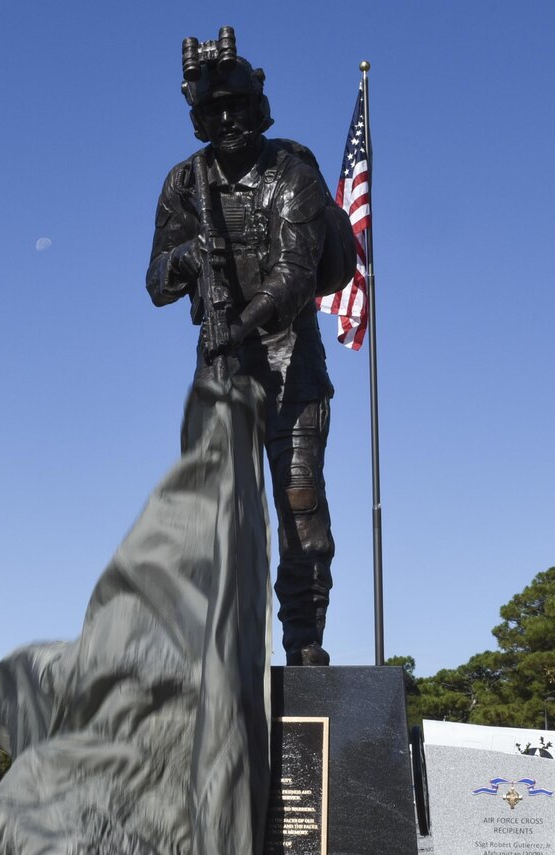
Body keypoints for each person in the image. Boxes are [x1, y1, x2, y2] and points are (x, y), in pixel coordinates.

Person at [146, 26, 352, 667]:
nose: (228, 119)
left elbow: (295, 275)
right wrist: (186, 257)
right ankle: (219, 643)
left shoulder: (293, 173)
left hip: (292, 369)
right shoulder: (184, 182)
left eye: (237, 107)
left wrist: (240, 327)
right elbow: (155, 282)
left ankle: (303, 640)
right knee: (213, 517)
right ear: (199, 117)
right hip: (221, 375)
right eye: (215, 110)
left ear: (259, 108)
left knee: (299, 511)